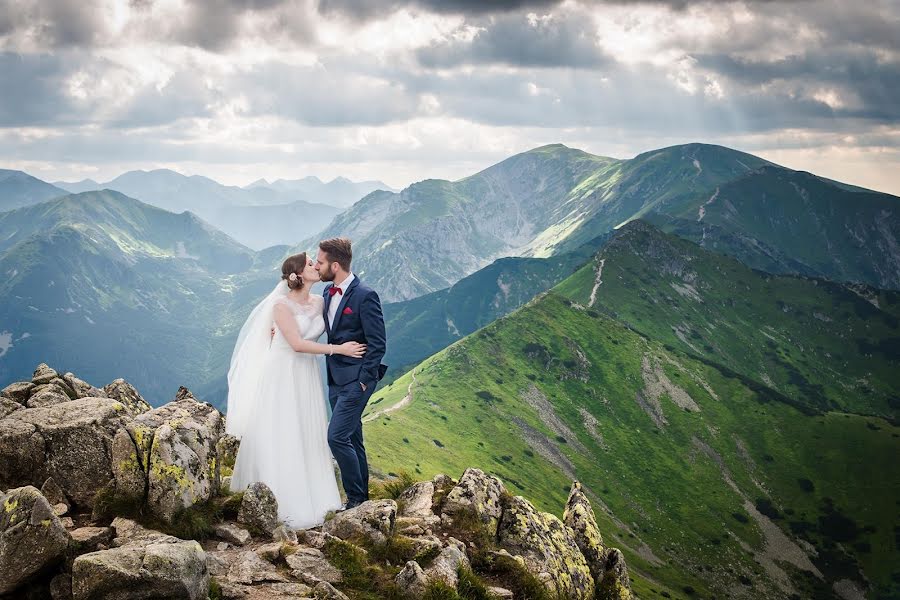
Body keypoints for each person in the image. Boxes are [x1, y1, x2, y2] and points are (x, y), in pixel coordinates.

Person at [226, 252, 366, 529]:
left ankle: (317, 500)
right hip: (283, 371)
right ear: (298, 275)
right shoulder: (281, 305)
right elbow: (297, 344)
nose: (316, 266)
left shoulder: (321, 301)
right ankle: (280, 501)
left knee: (306, 432)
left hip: (307, 374)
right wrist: (339, 350)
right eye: (311, 264)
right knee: (283, 429)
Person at [316, 237, 388, 509]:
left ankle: (355, 500)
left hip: (356, 382)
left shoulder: (365, 295)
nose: (316, 266)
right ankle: (363, 500)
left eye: (320, 262)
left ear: (335, 265)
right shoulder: (326, 293)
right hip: (335, 379)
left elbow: (378, 343)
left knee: (336, 437)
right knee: (353, 439)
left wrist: (363, 382)